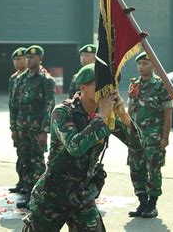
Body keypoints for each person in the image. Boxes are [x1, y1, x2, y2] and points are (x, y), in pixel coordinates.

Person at [22, 63, 141, 231]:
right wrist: (101, 118)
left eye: (110, 86)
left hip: (82, 195)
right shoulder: (63, 112)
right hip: (53, 195)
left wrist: (122, 114)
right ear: (83, 86)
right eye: (101, 86)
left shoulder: (106, 114)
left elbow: (137, 144)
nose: (107, 91)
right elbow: (75, 147)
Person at [127, 52, 173, 218]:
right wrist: (127, 133)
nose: (141, 67)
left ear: (153, 65)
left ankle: (152, 205)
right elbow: (130, 110)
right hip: (136, 137)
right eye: (139, 64)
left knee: (153, 170)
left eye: (145, 63)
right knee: (135, 169)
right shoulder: (134, 84)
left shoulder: (161, 85)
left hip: (153, 137)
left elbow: (168, 113)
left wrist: (165, 137)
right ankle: (142, 202)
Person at [10, 45, 55, 208]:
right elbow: (14, 105)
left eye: (33, 58)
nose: (29, 60)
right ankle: (28, 193)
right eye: (27, 57)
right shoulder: (20, 79)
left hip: (37, 130)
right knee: (25, 161)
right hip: (22, 128)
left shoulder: (46, 80)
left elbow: (48, 106)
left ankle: (40, 196)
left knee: (38, 163)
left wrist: (44, 131)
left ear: (40, 59)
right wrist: (13, 128)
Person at [7, 47, 27, 194]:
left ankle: (31, 184)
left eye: (20, 59)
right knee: (21, 155)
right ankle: (21, 181)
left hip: (32, 124)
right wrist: (13, 127)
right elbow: (12, 104)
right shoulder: (14, 79)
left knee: (33, 158)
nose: (17, 62)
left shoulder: (40, 76)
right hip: (19, 124)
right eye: (15, 59)